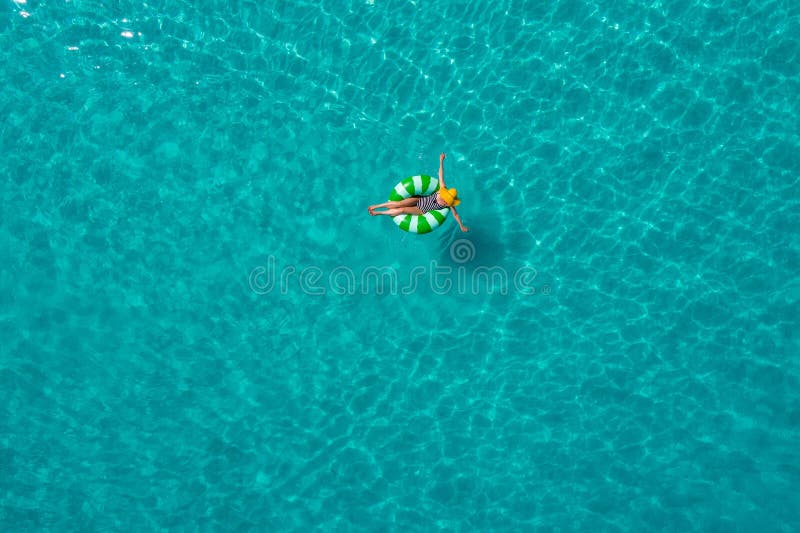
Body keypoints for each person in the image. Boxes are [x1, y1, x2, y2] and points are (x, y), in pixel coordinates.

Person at [368, 153, 469, 232]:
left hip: (420, 210)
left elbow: (456, 215)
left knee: (402, 210)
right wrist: (441, 161)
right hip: (419, 199)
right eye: (446, 199)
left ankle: (378, 213)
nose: (445, 202)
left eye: (447, 202)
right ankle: (376, 206)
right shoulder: (442, 189)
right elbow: (441, 174)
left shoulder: (449, 205)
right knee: (399, 204)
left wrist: (461, 226)